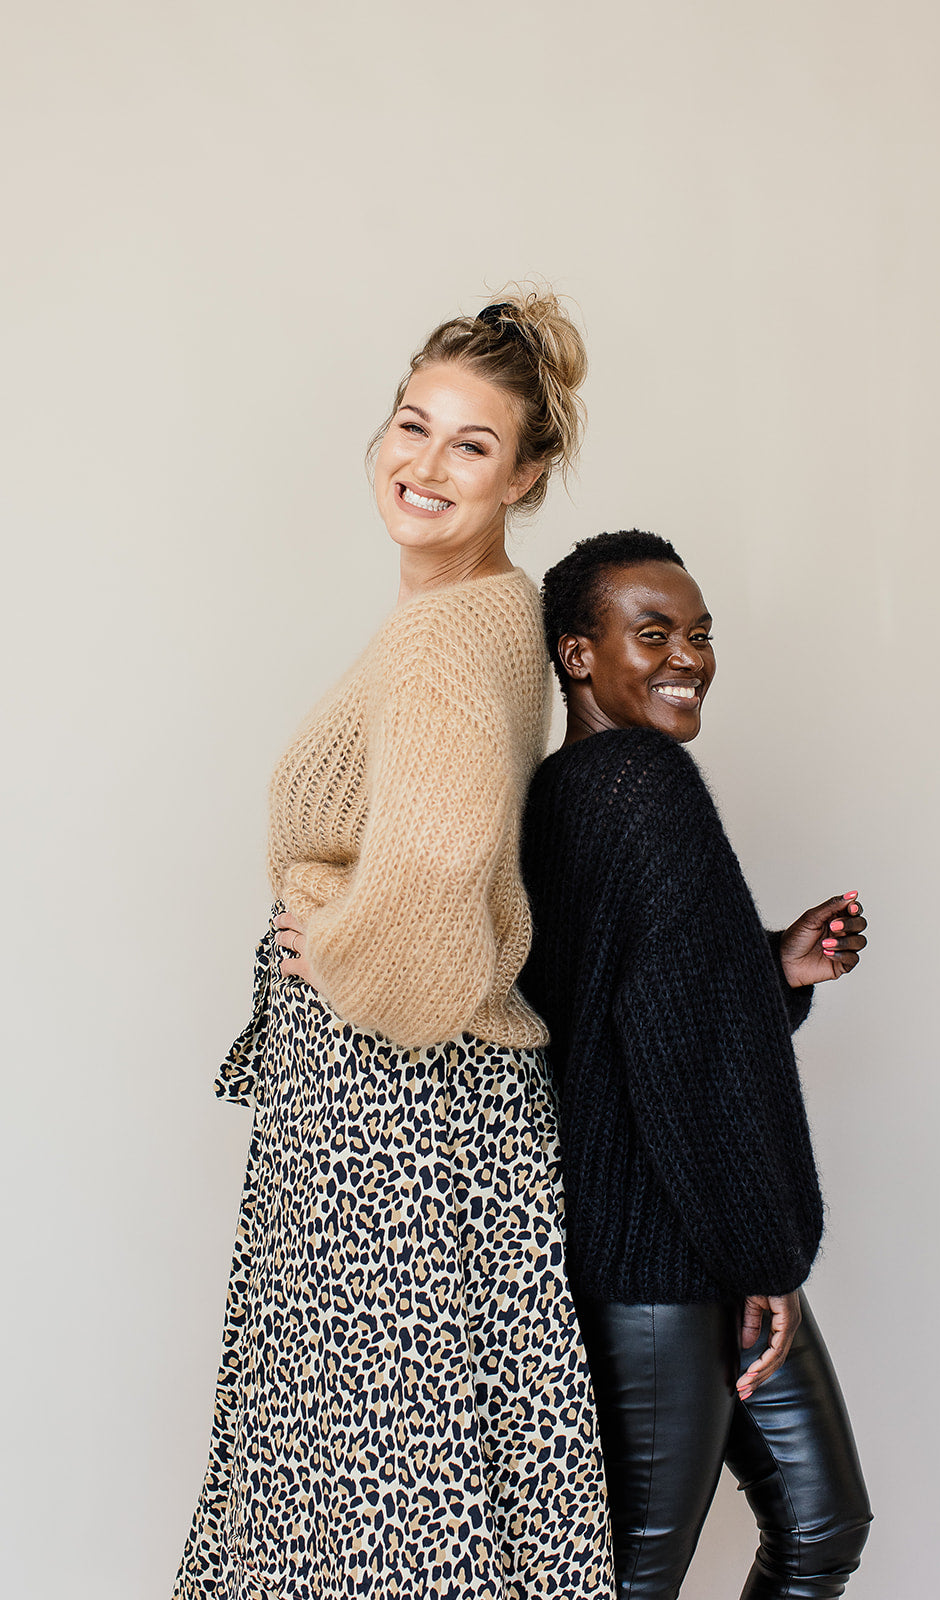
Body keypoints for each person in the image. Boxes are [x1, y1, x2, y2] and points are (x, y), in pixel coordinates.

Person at [174, 291, 615, 1600]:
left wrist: (353, 959)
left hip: (394, 1112)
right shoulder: (488, 614)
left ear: (526, 472)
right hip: (428, 1112)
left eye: (470, 445)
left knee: (375, 1494)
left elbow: (434, 861)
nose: (422, 464)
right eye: (410, 424)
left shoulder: (442, 638)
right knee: (443, 1478)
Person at [520, 530, 873, 1600]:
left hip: (677, 1240)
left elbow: (652, 1010)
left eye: (701, 633)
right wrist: (764, 1255)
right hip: (663, 1262)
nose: (688, 656)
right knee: (642, 1579)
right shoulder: (640, 782)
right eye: (654, 632)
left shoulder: (569, 789)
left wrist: (774, 969)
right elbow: (682, 1050)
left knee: (821, 1524)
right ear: (579, 655)